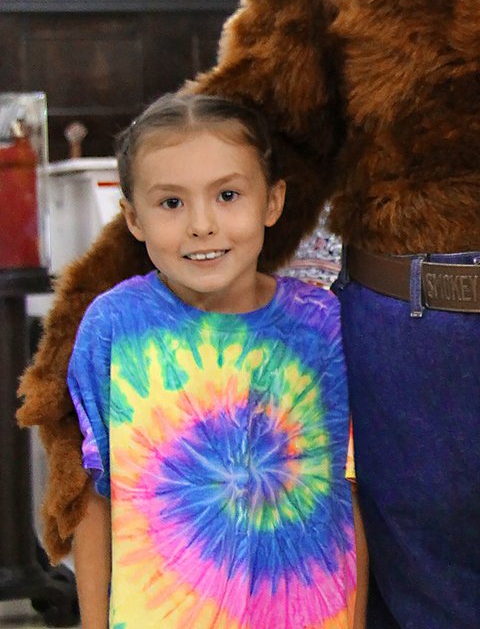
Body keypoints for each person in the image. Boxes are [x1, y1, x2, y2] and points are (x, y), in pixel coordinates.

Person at [66, 92, 367, 629]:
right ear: (133, 218)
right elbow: (93, 496)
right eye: (171, 203)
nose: (202, 225)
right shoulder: (113, 327)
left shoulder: (322, 325)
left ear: (272, 202)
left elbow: (348, 493)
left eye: (227, 194)